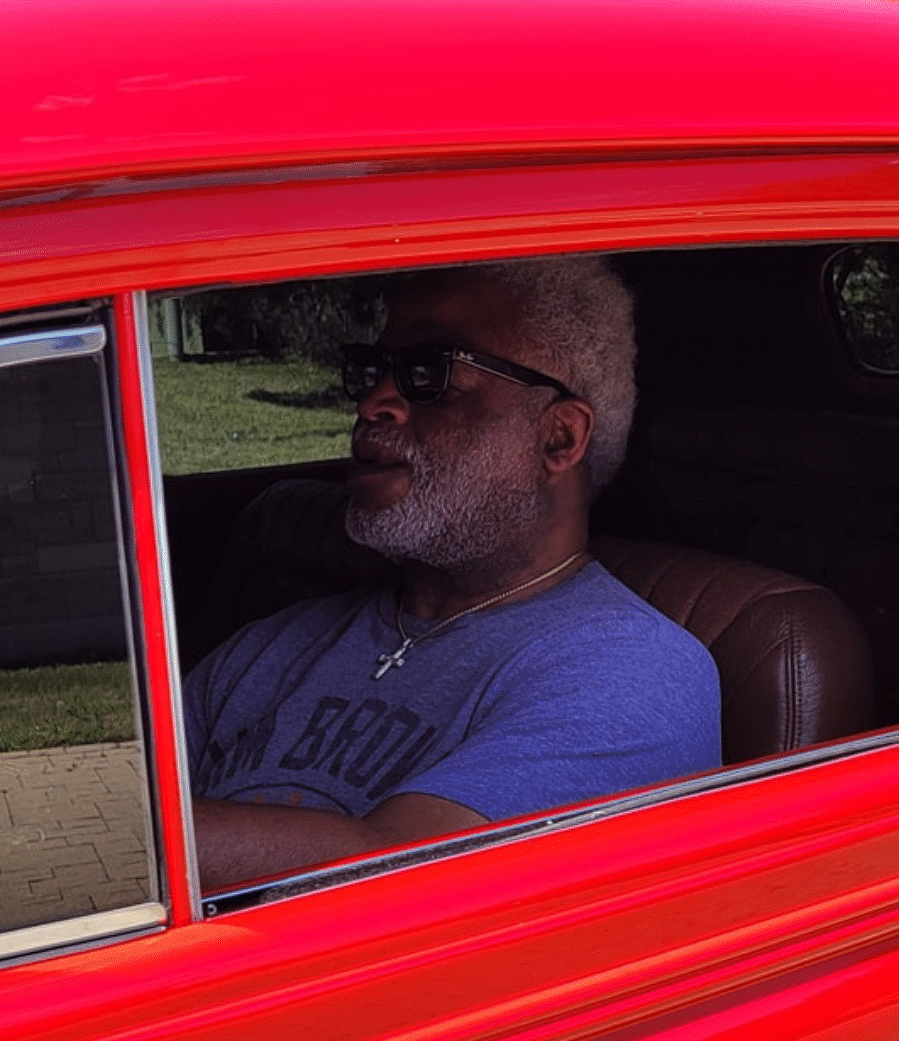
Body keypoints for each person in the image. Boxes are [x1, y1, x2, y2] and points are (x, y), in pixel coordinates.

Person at [185, 257, 722, 892]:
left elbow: (398, 879)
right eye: (372, 369)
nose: (373, 403)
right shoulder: (274, 644)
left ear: (560, 437)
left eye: (428, 374)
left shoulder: (638, 672)